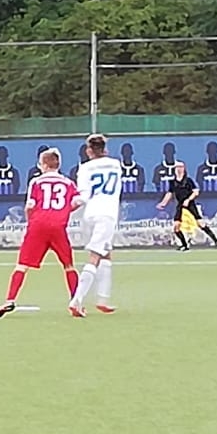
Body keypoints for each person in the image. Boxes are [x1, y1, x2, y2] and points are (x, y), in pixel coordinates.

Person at [0, 149, 82, 318]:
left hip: (38, 226)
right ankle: (75, 302)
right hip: (58, 227)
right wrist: (64, 211)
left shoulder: (37, 182)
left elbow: (30, 206)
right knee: (68, 265)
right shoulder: (68, 183)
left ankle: (10, 300)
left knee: (22, 265)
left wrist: (30, 221)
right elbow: (78, 201)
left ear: (44, 165)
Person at [69, 133, 122, 317]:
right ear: (105, 149)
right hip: (107, 214)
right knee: (95, 257)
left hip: (90, 214)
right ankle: (77, 300)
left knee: (105, 253)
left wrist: (67, 209)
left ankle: (102, 300)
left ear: (88, 151)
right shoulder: (116, 164)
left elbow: (83, 196)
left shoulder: (84, 168)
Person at [157, 161, 217, 250]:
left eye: (180, 167)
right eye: (177, 167)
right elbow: (169, 193)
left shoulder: (188, 181)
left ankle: (215, 240)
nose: (178, 169)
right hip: (180, 205)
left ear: (184, 168)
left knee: (200, 224)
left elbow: (196, 192)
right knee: (176, 227)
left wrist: (188, 200)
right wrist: (163, 203)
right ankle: (184, 245)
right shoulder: (173, 182)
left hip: (190, 205)